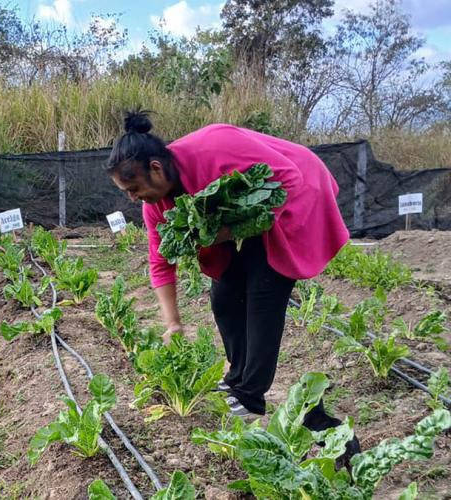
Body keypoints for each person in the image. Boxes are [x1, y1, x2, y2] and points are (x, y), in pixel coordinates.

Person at [107, 111, 360, 461]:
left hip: (296, 194)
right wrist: (172, 323)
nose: (133, 198)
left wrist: (228, 232)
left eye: (134, 189)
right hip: (249, 222)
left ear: (155, 167)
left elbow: (288, 178)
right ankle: (238, 378)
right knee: (224, 295)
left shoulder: (214, 147)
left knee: (264, 290)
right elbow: (161, 261)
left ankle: (249, 394)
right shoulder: (158, 205)